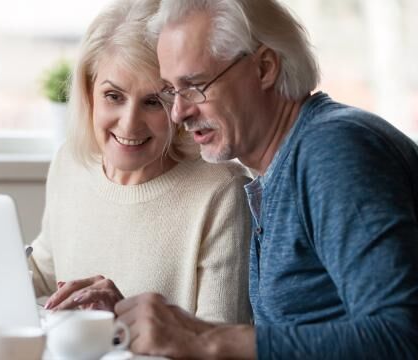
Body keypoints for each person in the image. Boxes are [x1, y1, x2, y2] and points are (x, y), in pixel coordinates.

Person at [114, 0, 418, 358]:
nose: (179, 112)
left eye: (195, 85)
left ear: (264, 68)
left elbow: (401, 337)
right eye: (171, 90)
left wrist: (204, 341)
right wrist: (143, 323)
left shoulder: (332, 152)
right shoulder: (283, 164)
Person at [28, 0, 253, 324]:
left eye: (153, 102)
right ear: (89, 92)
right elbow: (45, 273)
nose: (130, 124)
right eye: (114, 96)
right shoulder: (70, 164)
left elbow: (220, 341)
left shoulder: (221, 191)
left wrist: (124, 321)